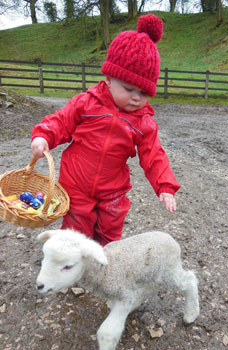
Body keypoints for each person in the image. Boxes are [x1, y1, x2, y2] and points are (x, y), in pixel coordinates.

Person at [31, 14, 180, 246]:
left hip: (113, 190)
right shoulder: (86, 103)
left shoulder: (143, 122)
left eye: (143, 93)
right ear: (109, 79)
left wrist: (165, 186)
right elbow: (61, 121)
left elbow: (154, 155)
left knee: (110, 233)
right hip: (76, 183)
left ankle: (102, 262)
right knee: (76, 230)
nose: (135, 98)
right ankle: (73, 269)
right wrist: (43, 136)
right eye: (129, 88)